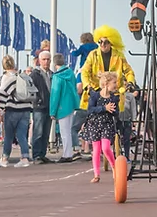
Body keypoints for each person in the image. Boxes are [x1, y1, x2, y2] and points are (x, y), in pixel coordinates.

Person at [78, 26, 136, 158]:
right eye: (100, 42)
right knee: (93, 114)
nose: (103, 44)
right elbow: (85, 72)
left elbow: (128, 71)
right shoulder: (93, 55)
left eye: (106, 42)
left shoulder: (119, 56)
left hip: (115, 91)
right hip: (97, 90)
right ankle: (94, 143)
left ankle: (121, 146)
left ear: (111, 42)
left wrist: (131, 82)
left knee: (120, 119)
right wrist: (88, 86)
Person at [82, 71, 119, 183]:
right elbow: (90, 110)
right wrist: (104, 108)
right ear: (106, 84)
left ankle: (114, 166)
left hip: (107, 124)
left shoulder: (114, 98)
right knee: (96, 150)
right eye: (114, 82)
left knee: (106, 148)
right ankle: (96, 174)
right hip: (94, 124)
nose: (116, 85)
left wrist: (112, 111)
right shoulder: (95, 96)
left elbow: (116, 112)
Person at [0, 56, 33, 167]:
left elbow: (2, 94)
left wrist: (1, 110)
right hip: (26, 109)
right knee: (22, 135)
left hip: (12, 109)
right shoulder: (25, 77)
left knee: (9, 135)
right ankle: (25, 157)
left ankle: (4, 158)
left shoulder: (7, 78)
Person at [51, 57, 83, 163]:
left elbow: (55, 94)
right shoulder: (71, 73)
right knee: (68, 131)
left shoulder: (57, 77)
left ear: (55, 63)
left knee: (64, 132)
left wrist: (52, 111)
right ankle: (68, 153)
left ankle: (66, 154)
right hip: (71, 105)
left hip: (61, 106)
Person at [30, 50, 53, 163]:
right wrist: (37, 100)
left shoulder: (52, 74)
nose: (46, 62)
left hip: (49, 106)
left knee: (46, 132)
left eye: (48, 59)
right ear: (39, 61)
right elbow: (31, 89)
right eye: (44, 59)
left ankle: (43, 154)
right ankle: (36, 155)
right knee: (38, 131)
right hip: (39, 106)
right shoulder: (35, 74)